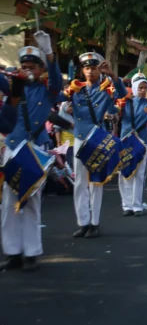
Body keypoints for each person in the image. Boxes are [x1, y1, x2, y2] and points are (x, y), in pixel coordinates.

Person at [0, 33, 62, 271]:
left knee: (32, 201)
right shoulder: (14, 87)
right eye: (23, 66)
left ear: (40, 69)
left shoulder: (47, 89)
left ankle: (32, 253)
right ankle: (13, 252)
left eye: (31, 67)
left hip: (36, 148)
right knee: (9, 202)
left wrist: (49, 54)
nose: (26, 70)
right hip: (15, 147)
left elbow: (57, 81)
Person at [61, 52, 127, 238]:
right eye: (87, 68)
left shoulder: (106, 90)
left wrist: (113, 75)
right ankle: (83, 222)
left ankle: (95, 223)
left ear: (99, 69)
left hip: (96, 139)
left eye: (94, 67)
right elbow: (57, 98)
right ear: (82, 70)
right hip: (80, 138)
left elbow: (122, 94)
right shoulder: (76, 90)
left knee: (96, 182)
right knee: (80, 182)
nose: (90, 71)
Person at [116, 73, 147, 217]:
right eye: (140, 88)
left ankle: (137, 205)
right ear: (134, 87)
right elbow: (114, 111)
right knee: (125, 174)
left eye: (145, 88)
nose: (143, 90)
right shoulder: (124, 102)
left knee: (139, 174)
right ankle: (126, 205)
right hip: (126, 141)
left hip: (142, 141)